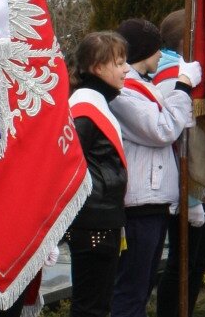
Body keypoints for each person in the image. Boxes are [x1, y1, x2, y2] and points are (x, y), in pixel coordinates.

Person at [109, 18, 199, 317]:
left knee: (143, 284)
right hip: (139, 201)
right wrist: (183, 87)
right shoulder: (124, 93)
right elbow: (162, 129)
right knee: (131, 290)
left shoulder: (142, 86)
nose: (161, 55)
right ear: (142, 51)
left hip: (154, 198)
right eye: (155, 49)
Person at [154, 9, 205, 317]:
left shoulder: (183, 68)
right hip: (181, 184)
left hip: (196, 182)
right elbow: (177, 131)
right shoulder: (170, 74)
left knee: (198, 258)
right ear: (184, 41)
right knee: (183, 263)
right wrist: (190, 198)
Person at [66, 31, 131, 317]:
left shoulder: (97, 101)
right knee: (91, 306)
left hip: (103, 216)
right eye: (118, 63)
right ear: (97, 67)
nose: (126, 69)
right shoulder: (84, 107)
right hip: (93, 219)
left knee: (98, 304)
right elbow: (69, 164)